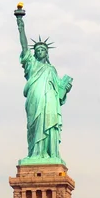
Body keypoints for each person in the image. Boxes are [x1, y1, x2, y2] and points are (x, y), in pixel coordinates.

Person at [16, 14, 73, 161]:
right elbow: (23, 46)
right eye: (38, 50)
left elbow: (59, 92)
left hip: (50, 102)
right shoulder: (31, 64)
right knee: (35, 126)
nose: (40, 51)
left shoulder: (51, 69)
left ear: (46, 53)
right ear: (34, 53)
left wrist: (65, 88)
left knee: (50, 125)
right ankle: (35, 154)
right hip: (35, 98)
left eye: (42, 50)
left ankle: (50, 154)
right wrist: (20, 25)